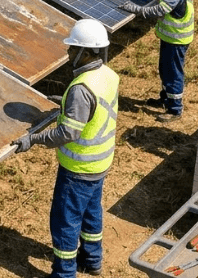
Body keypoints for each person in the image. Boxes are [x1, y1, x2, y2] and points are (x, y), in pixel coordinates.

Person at [11, 19, 119, 278]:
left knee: (65, 223)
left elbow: (68, 133)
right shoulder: (107, 75)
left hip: (78, 169)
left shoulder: (81, 89)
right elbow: (96, 110)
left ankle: (64, 273)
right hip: (100, 165)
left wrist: (33, 139)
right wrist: (68, 106)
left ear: (85, 52)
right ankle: (92, 261)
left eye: (73, 48)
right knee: (91, 214)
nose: (69, 52)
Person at [117, 0, 193, 122]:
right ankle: (165, 100)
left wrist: (134, 9)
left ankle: (175, 110)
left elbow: (158, 10)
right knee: (165, 70)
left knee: (173, 73)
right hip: (171, 37)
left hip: (177, 39)